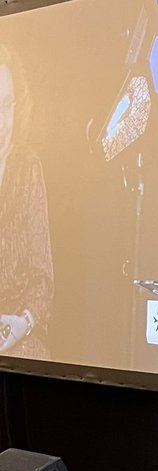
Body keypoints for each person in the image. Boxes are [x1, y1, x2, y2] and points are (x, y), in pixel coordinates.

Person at [0, 46, 53, 359]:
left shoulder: (28, 169)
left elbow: (43, 281)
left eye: (6, 106)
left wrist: (24, 322)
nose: (2, 122)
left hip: (18, 335)